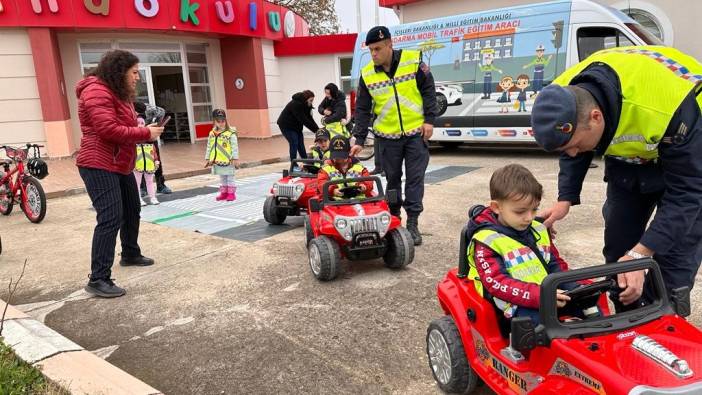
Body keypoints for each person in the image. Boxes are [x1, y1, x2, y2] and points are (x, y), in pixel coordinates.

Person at [531, 46, 702, 311]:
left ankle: (665, 324)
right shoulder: (563, 96)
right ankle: (626, 327)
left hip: (688, 143)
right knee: (618, 252)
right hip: (631, 158)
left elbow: (688, 195)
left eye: (576, 144)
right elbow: (571, 145)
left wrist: (640, 254)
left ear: (596, 117)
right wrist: (565, 198)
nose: (574, 153)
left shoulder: (664, 106)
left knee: (673, 262)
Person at [76, 49, 163, 298]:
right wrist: (145, 133)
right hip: (98, 163)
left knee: (132, 209)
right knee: (110, 217)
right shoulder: (96, 90)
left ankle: (130, 253)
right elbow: (108, 130)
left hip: (119, 162)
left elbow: (124, 124)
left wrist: (143, 126)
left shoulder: (118, 92)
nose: (137, 77)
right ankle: (98, 278)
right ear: (119, 71)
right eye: (134, 72)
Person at [466, 164, 588, 325]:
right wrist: (540, 296)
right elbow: (497, 283)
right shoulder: (487, 241)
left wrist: (575, 286)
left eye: (534, 209)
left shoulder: (538, 229)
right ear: (497, 207)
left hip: (546, 294)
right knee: (537, 328)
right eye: (520, 211)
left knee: (588, 306)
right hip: (511, 304)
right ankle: (518, 350)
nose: (529, 218)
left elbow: (554, 264)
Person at [350, 26, 437, 246]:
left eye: (377, 48)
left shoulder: (413, 61)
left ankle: (413, 223)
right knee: (392, 180)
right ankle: (395, 218)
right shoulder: (367, 75)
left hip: (415, 134)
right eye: (370, 50)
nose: (374, 54)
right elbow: (362, 109)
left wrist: (429, 120)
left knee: (415, 179)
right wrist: (359, 139)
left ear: (390, 44)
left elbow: (429, 90)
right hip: (387, 138)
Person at [318, 136, 374, 200]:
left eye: (342, 156)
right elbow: (321, 184)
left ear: (349, 153)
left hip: (359, 201)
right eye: (336, 156)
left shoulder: (359, 167)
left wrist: (364, 186)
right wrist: (333, 190)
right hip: (335, 204)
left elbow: (368, 181)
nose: (339, 159)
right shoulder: (325, 169)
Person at [205, 109, 240, 202]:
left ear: (226, 121)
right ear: (214, 122)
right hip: (218, 160)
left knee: (230, 177)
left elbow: (234, 147)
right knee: (222, 177)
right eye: (218, 121)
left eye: (223, 121)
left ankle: (231, 194)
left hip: (228, 160)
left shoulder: (230, 133)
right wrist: (208, 158)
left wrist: (235, 158)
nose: (221, 123)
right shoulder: (212, 134)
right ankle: (224, 193)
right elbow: (209, 146)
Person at [277, 90, 320, 161]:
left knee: (301, 144)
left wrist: (318, 130)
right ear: (306, 99)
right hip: (286, 126)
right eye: (311, 100)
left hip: (296, 127)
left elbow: (309, 118)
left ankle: (306, 162)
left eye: (312, 100)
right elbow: (304, 120)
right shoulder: (296, 104)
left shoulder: (307, 105)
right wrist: (316, 131)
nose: (312, 102)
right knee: (294, 142)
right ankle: (294, 165)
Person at [133, 114, 160, 206]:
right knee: (137, 183)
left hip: (149, 164)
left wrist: (156, 160)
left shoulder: (149, 139)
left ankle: (153, 197)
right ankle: (138, 199)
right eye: (138, 123)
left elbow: (154, 150)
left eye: (142, 123)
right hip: (137, 165)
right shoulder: (133, 140)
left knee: (150, 182)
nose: (140, 125)